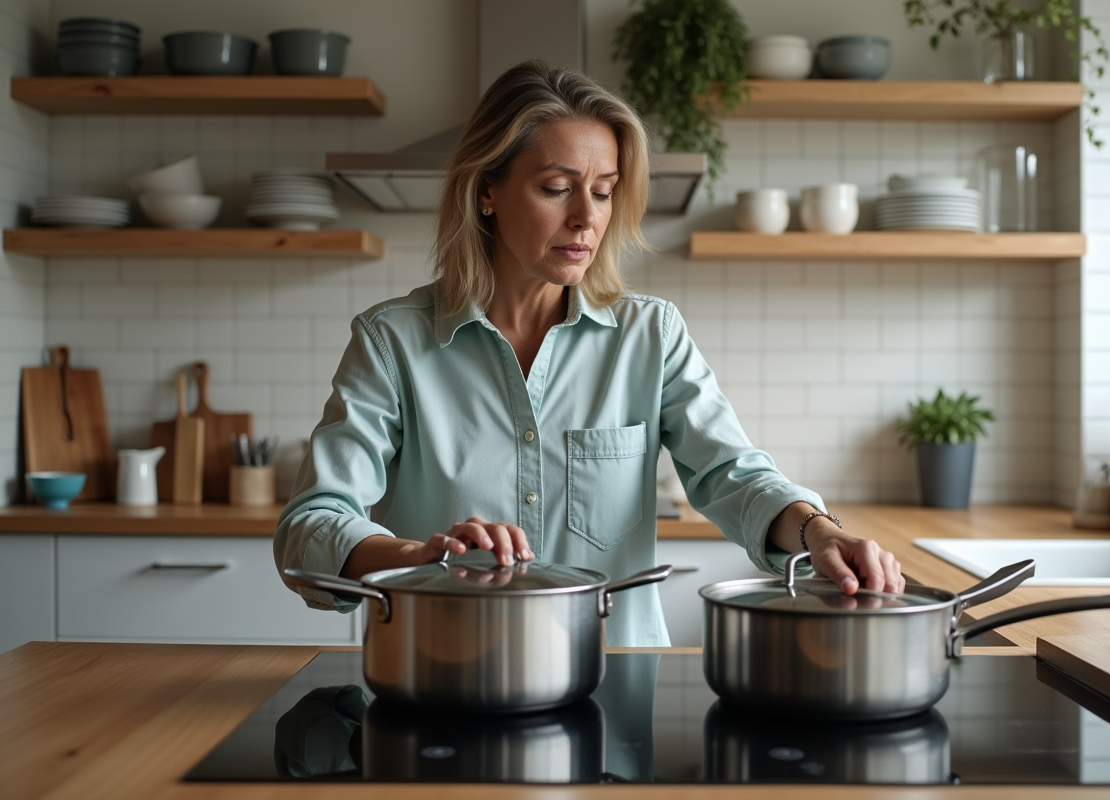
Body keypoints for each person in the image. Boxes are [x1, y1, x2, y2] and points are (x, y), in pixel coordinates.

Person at [274, 60, 904, 646]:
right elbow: (309, 528)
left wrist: (820, 532)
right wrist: (421, 558)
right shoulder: (392, 343)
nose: (586, 218)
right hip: (439, 680)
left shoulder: (650, 335)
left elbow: (731, 476)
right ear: (486, 191)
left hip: (613, 691)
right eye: (556, 187)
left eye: (603, 192)